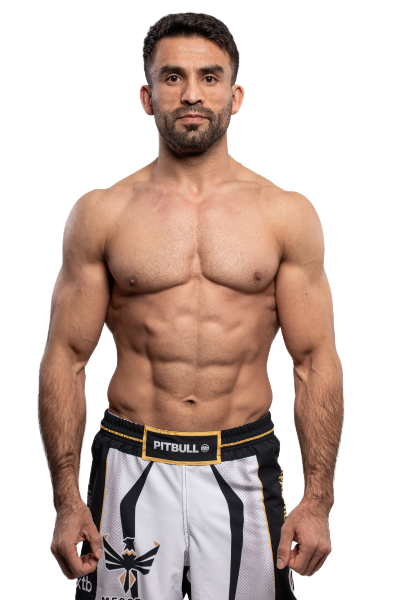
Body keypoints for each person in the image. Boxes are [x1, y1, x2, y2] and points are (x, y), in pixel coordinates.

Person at [37, 11, 345, 600]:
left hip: (244, 466)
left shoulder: (285, 214)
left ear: (236, 95)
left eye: (209, 77)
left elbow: (315, 362)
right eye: (172, 77)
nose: (192, 94)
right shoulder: (103, 212)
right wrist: (67, 501)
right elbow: (66, 359)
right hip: (130, 463)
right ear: (147, 97)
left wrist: (318, 501)